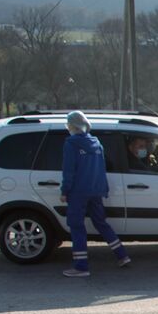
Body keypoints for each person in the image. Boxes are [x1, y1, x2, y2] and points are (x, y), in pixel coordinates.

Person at [60, 110, 130, 278]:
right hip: (96, 190)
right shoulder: (97, 143)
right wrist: (102, 189)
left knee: (77, 226)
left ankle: (81, 266)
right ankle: (122, 255)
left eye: (68, 124)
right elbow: (101, 169)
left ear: (72, 125)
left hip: (78, 192)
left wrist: (64, 191)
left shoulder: (71, 144)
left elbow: (68, 170)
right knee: (101, 223)